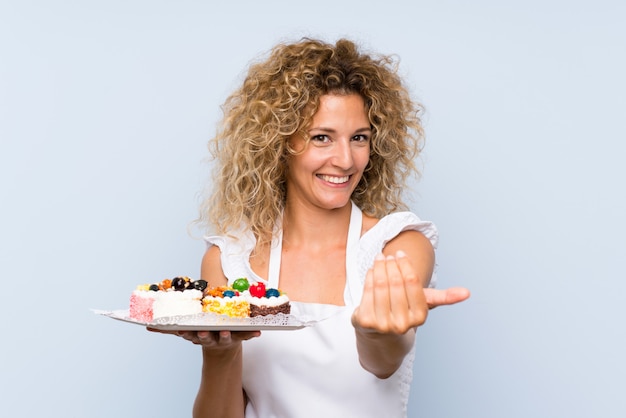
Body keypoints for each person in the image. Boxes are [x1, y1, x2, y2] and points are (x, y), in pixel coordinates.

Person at [166, 38, 469, 417]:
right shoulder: (230, 262)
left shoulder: (398, 246)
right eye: (321, 137)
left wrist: (377, 332)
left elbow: (383, 363)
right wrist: (221, 350)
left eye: (359, 138)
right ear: (279, 143)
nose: (344, 160)